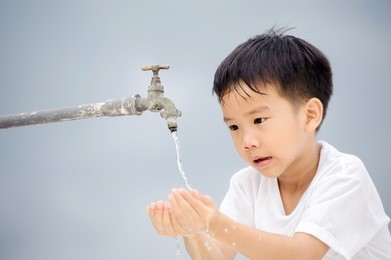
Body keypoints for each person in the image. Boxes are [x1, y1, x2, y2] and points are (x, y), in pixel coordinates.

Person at [146, 28, 391, 259]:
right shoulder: (247, 184)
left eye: (259, 119)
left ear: (309, 115)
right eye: (234, 127)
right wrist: (193, 230)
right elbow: (216, 255)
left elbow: (302, 254)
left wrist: (215, 223)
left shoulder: (345, 177)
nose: (247, 142)